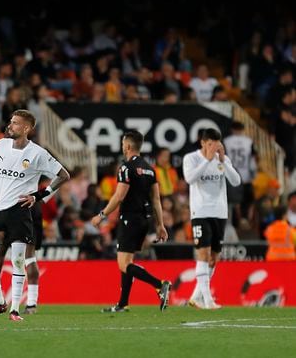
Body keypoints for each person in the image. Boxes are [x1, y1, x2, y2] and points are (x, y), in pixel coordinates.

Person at [0, 109, 70, 321]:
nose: (10, 125)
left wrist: (39, 196)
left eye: (16, 123)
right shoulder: (0, 145)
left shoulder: (37, 153)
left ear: (27, 128)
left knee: (18, 262)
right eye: (11, 122)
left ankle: (15, 309)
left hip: (20, 212)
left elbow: (63, 175)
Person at [91, 130, 172, 313]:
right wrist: (160, 225)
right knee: (127, 261)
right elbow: (156, 200)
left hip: (129, 219)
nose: (122, 146)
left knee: (124, 264)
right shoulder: (150, 169)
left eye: (122, 143)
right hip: (144, 220)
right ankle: (122, 303)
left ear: (127, 146)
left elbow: (119, 196)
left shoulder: (126, 167)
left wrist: (101, 215)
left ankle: (160, 285)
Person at [183, 128, 241, 309]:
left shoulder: (222, 160)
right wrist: (207, 160)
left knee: (214, 258)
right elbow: (190, 178)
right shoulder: (191, 158)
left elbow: (236, 181)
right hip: (200, 212)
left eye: (216, 145)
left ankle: (195, 297)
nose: (213, 148)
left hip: (220, 212)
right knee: (203, 253)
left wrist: (223, 160)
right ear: (203, 143)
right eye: (209, 144)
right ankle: (208, 300)